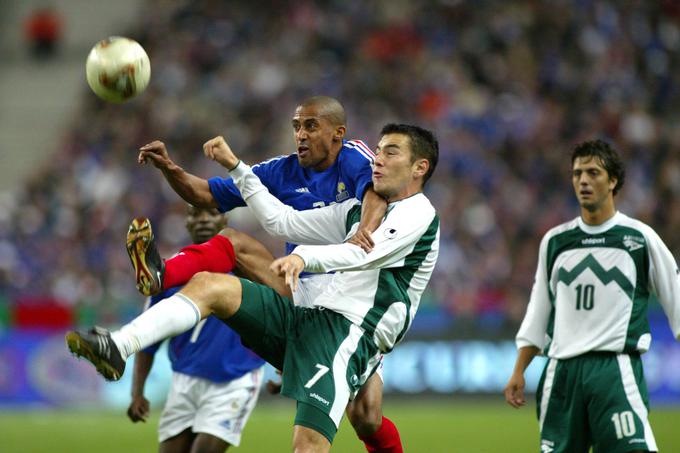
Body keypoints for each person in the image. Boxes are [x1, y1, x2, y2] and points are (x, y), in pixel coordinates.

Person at [65, 123, 440, 453]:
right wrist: (237, 167)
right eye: (378, 150)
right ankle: (119, 345)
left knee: (329, 436)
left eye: (390, 152)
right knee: (211, 285)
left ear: (419, 167)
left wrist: (304, 259)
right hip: (304, 316)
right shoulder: (350, 210)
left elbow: (363, 256)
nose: (377, 158)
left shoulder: (419, 213)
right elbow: (282, 221)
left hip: (347, 334)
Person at [128, 95, 401, 452]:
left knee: (366, 416)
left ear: (338, 133)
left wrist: (362, 232)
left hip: (351, 305)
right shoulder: (280, 171)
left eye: (310, 126)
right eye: (296, 126)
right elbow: (205, 194)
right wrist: (170, 169)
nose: (300, 135)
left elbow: (376, 194)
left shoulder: (354, 157)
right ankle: (161, 275)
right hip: (299, 292)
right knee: (233, 242)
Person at [503, 139, 680, 453]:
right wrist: (519, 369)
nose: (583, 180)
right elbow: (538, 310)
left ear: (613, 181)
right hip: (561, 372)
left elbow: (675, 297)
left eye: (593, 173)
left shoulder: (638, 238)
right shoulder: (556, 242)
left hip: (614, 368)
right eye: (577, 173)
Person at [126, 205, 265, 453]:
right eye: (194, 214)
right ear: (186, 223)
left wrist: (284, 367)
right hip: (185, 379)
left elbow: (273, 318)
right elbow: (149, 338)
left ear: (224, 219)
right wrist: (137, 392)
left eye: (210, 213)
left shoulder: (248, 269)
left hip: (234, 379)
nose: (202, 220)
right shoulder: (169, 275)